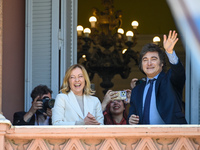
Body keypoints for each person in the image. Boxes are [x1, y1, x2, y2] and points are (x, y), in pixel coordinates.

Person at [128, 30, 187, 125]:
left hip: (172, 136)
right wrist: (131, 119)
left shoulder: (170, 80)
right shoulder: (136, 90)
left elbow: (179, 73)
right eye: (145, 60)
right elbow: (132, 114)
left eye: (153, 59)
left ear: (162, 63)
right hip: (145, 138)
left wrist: (169, 52)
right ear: (141, 64)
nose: (149, 63)